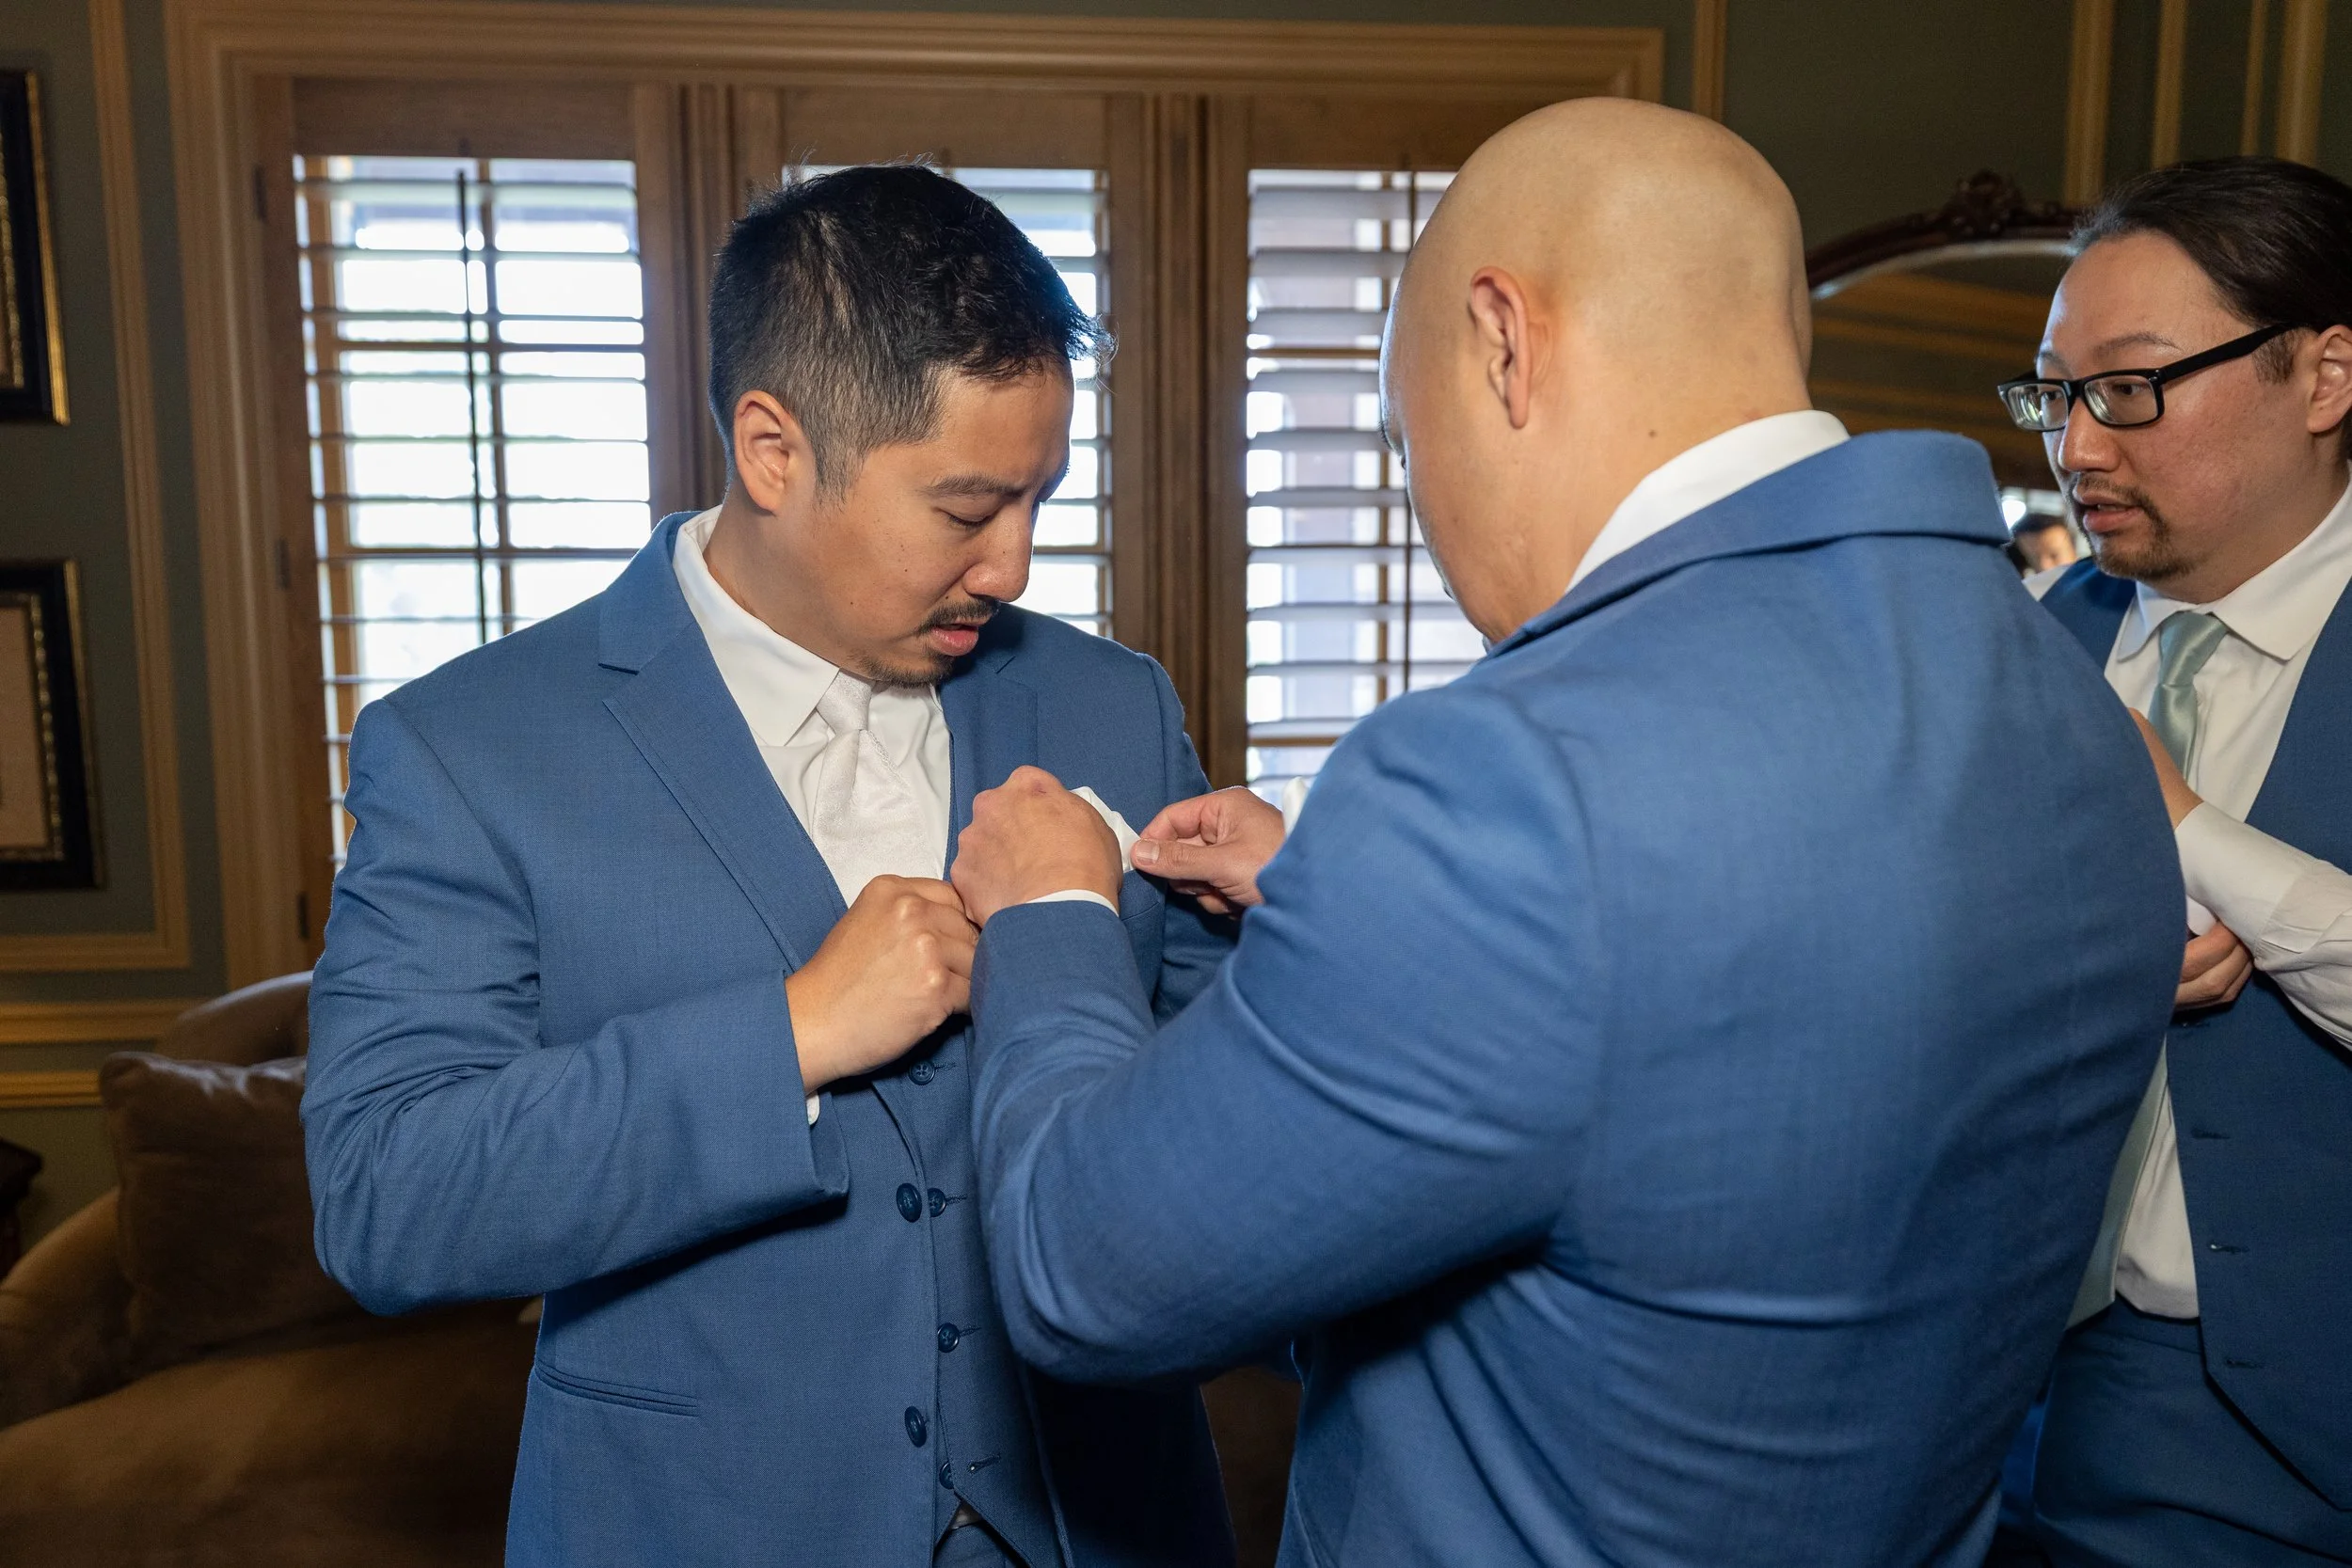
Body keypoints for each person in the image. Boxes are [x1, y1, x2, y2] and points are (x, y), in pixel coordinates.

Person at [946, 100, 2181, 1568]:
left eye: (1407, 437)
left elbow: (1085, 1270)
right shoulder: (2076, 712)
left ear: (1502, 344)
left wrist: (1054, 916)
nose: (1422, 501)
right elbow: (1736, 1046)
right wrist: (1351, 912)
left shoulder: (1509, 784)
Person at [302, 166, 1236, 1568]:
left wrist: (1302, 920)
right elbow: (389, 1194)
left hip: (1107, 1519)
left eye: (1040, 498)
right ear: (773, 450)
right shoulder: (465, 748)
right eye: (967, 508)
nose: (1016, 565)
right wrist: (792, 1035)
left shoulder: (1117, 705)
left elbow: (1237, 1110)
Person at [2006, 155, 2352, 1565]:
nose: (2078, 448)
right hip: (1999, 1383)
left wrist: (2188, 831)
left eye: (2132, 387)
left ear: (2323, 376)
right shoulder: (2028, 645)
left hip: (2301, 1426)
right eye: (2053, 395)